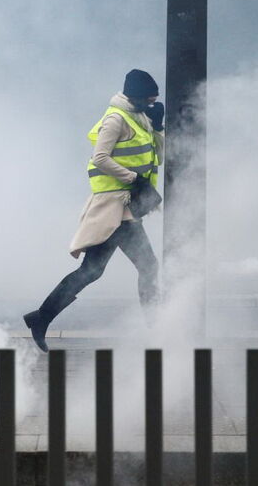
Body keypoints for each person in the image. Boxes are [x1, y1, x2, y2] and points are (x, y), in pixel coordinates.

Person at [23, 69, 165, 352]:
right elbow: (99, 158)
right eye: (149, 99)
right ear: (134, 95)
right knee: (142, 266)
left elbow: (158, 156)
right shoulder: (115, 119)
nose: (152, 103)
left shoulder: (140, 119)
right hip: (115, 208)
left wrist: (159, 127)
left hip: (126, 208)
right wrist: (132, 179)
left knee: (92, 270)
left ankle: (41, 318)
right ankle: (158, 330)